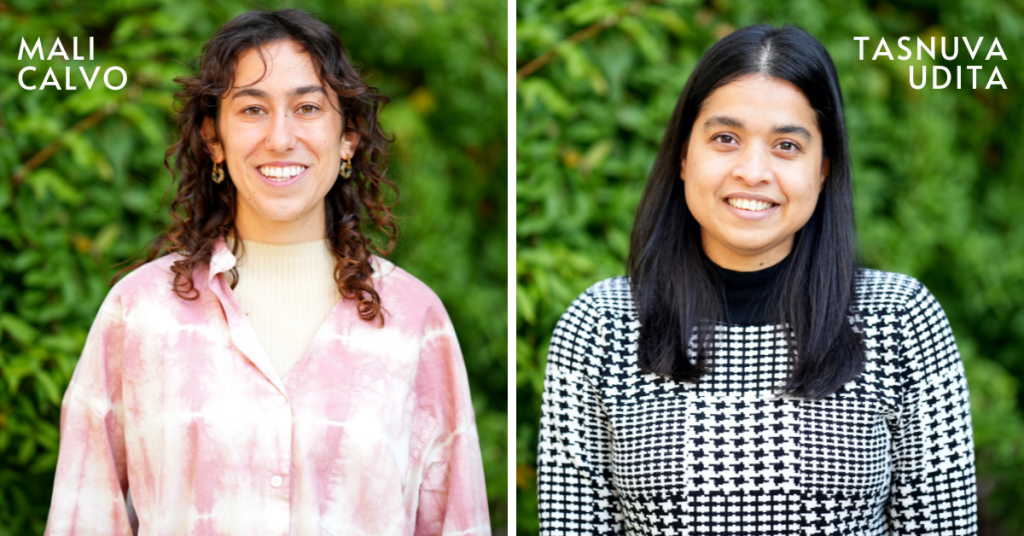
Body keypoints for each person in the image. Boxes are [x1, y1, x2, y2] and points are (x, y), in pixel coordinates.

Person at [44, 9, 490, 536]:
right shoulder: (140, 313)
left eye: (306, 107)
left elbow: (455, 523)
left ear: (347, 137)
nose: (280, 137)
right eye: (252, 109)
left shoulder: (415, 321)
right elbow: (85, 516)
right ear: (214, 139)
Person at [537, 24, 976, 535]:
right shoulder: (600, 326)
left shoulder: (900, 319)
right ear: (683, 155)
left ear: (823, 169)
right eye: (725, 138)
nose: (753, 171)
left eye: (787, 145)